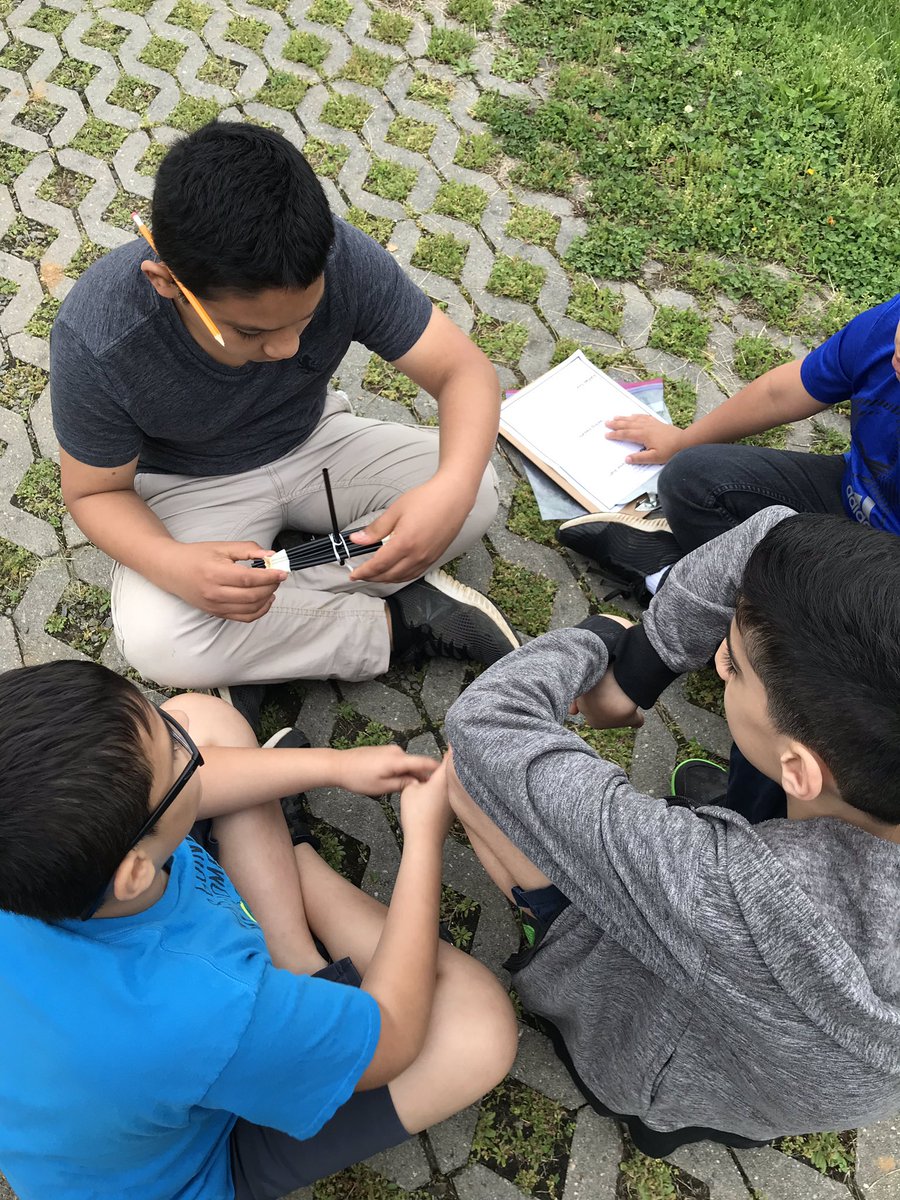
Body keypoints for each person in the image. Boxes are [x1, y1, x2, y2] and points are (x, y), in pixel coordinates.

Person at [444, 507, 900, 1156]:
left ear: (801, 772)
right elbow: (776, 532)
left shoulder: (736, 893)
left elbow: (487, 725)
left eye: (735, 667)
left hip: (660, 1071)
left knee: (465, 776)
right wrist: (643, 668)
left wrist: (606, 638)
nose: (718, 659)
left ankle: (552, 927)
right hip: (795, 1070)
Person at [0, 661, 517, 1200]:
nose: (186, 749)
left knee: (204, 717)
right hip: (198, 1163)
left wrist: (335, 766)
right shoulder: (209, 1007)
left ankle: (296, 957)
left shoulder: (32, 867)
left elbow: (193, 776)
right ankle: (302, 910)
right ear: (135, 872)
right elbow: (393, 1037)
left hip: (123, 1095)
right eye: (176, 753)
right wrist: (422, 840)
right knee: (479, 1026)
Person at [50, 121, 518, 709]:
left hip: (315, 442)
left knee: (475, 490)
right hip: (188, 487)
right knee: (158, 642)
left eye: (306, 318)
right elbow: (94, 494)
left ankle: (261, 628)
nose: (289, 349)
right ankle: (405, 622)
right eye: (252, 331)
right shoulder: (99, 335)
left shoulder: (339, 256)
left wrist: (449, 487)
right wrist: (174, 564)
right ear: (167, 282)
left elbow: (463, 373)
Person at [557, 294, 900, 599]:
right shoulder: (887, 327)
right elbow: (778, 394)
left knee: (848, 637)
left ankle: (686, 590)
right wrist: (681, 441)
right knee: (692, 478)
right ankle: (717, 598)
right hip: (849, 498)